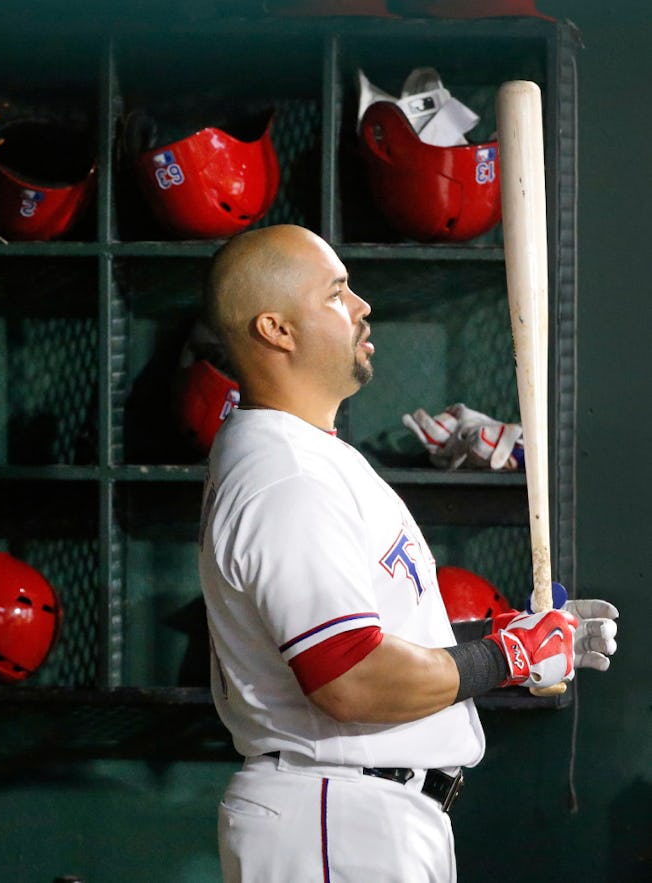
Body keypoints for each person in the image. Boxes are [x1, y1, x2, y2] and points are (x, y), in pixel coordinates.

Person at [196, 224, 619, 882]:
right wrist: (506, 656)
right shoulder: (286, 476)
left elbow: (377, 642)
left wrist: (504, 639)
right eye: (336, 293)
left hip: (359, 810)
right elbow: (350, 678)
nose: (362, 305)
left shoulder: (307, 456)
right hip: (337, 813)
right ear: (276, 330)